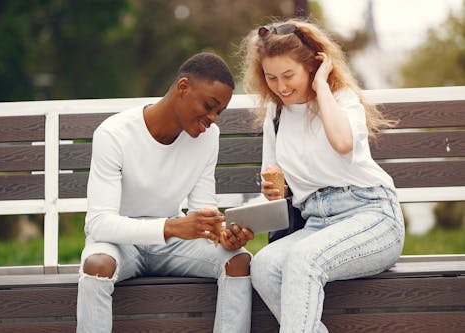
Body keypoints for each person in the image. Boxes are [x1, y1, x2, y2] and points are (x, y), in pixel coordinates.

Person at [239, 19, 405, 332]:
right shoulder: (275, 116)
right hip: (317, 223)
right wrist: (274, 191)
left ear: (312, 66)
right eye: (271, 77)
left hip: (372, 215)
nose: (281, 86)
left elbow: (343, 144)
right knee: (263, 266)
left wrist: (323, 88)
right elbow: (274, 185)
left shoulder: (341, 101)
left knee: (303, 260)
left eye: (289, 75)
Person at [76, 52, 254, 333]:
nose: (212, 119)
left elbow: (202, 210)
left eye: (219, 112)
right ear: (183, 88)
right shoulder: (114, 134)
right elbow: (99, 224)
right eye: (209, 106)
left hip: (174, 244)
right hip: (120, 244)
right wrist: (172, 227)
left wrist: (223, 234)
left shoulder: (208, 138)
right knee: (97, 266)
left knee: (239, 260)